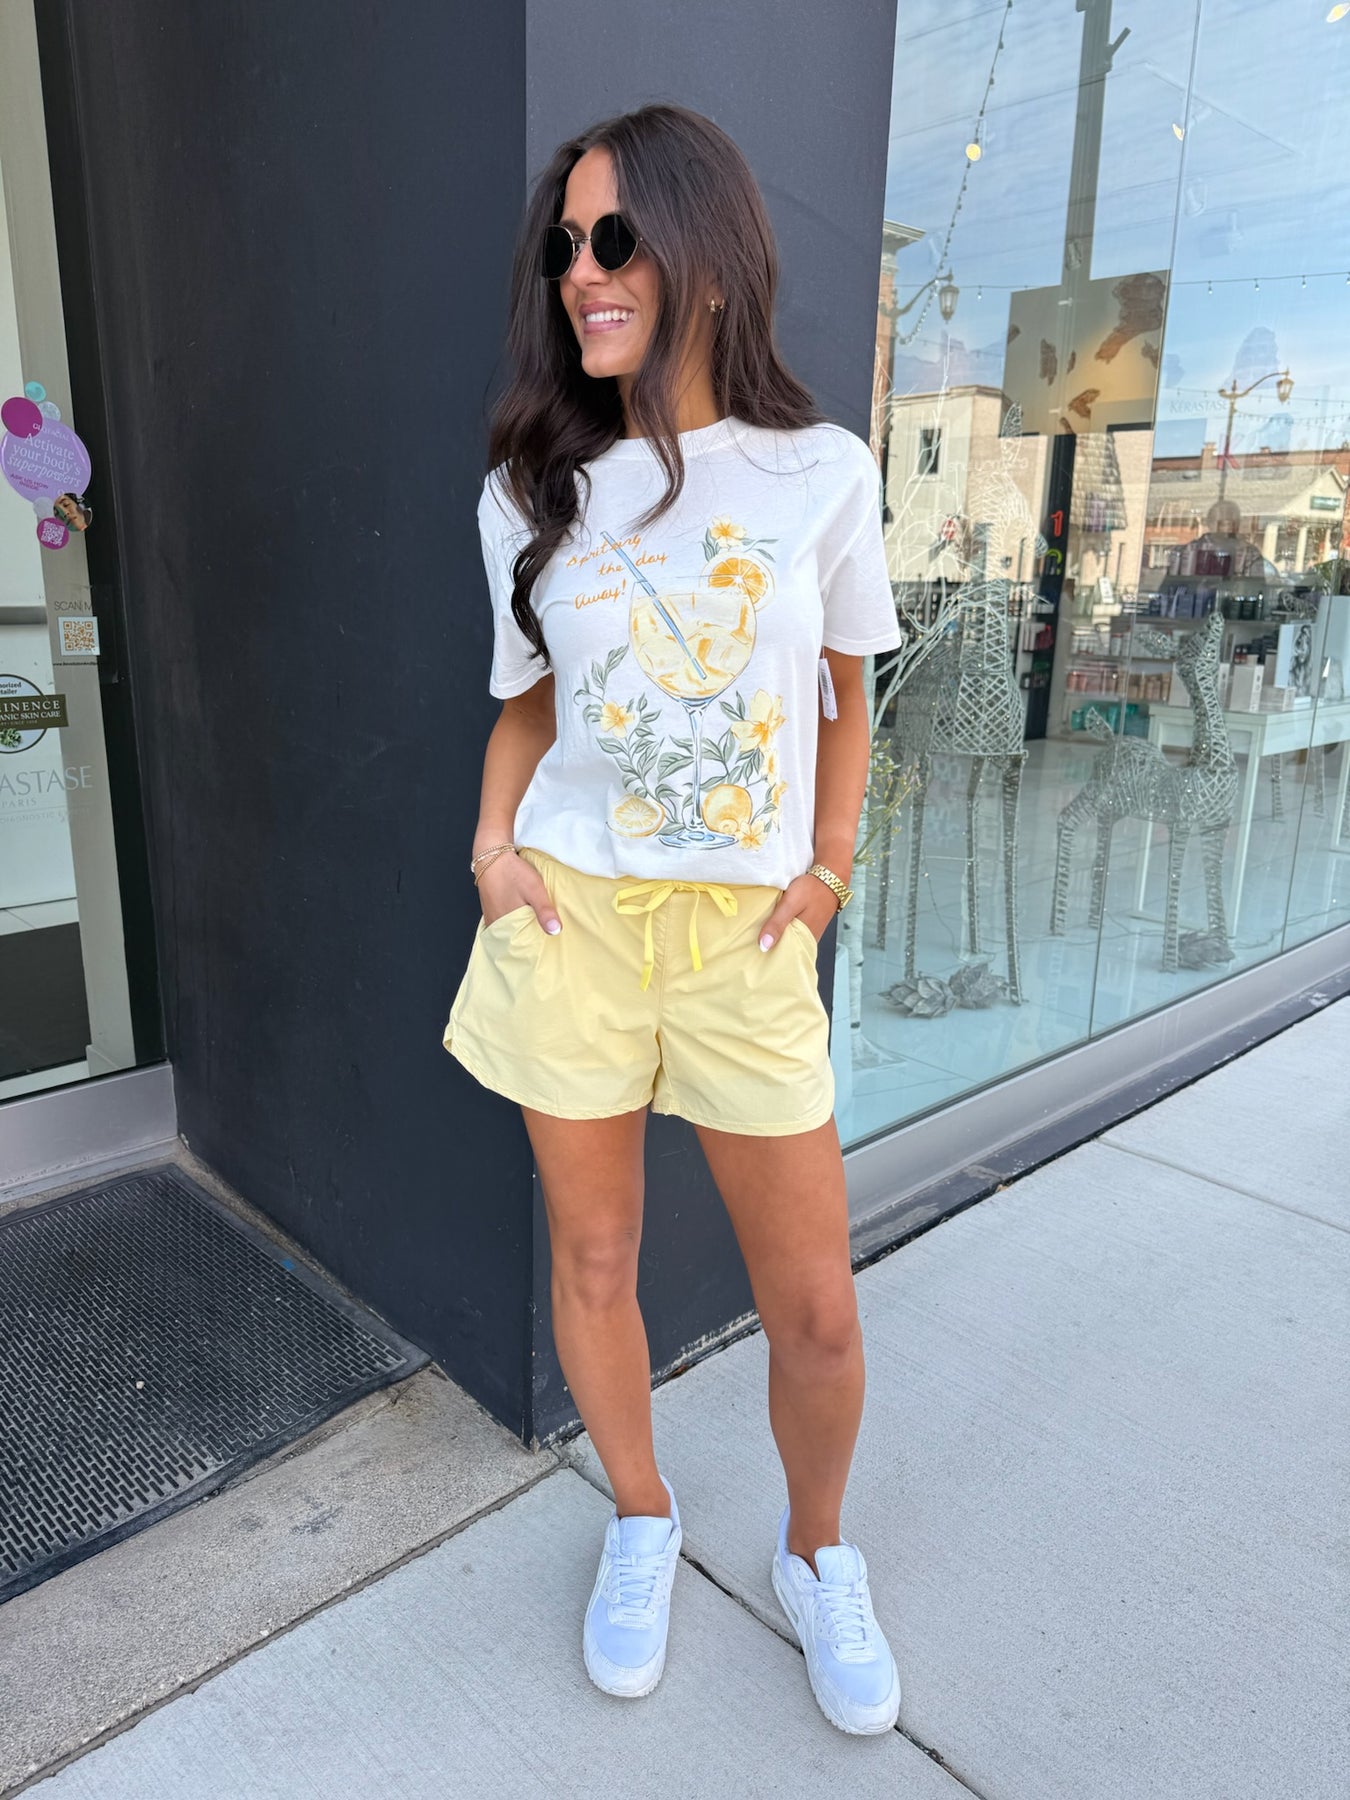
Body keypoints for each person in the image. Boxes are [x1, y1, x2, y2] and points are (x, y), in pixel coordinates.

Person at [442, 102, 903, 1735]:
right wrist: (490, 849)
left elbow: (846, 690)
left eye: (617, 236)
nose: (584, 270)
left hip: (742, 939)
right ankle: (641, 1517)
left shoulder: (818, 473)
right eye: (565, 245)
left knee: (816, 1304)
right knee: (592, 1254)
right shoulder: (531, 491)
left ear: (704, 255)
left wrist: (826, 869)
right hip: (573, 918)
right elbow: (527, 703)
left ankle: (817, 1552)